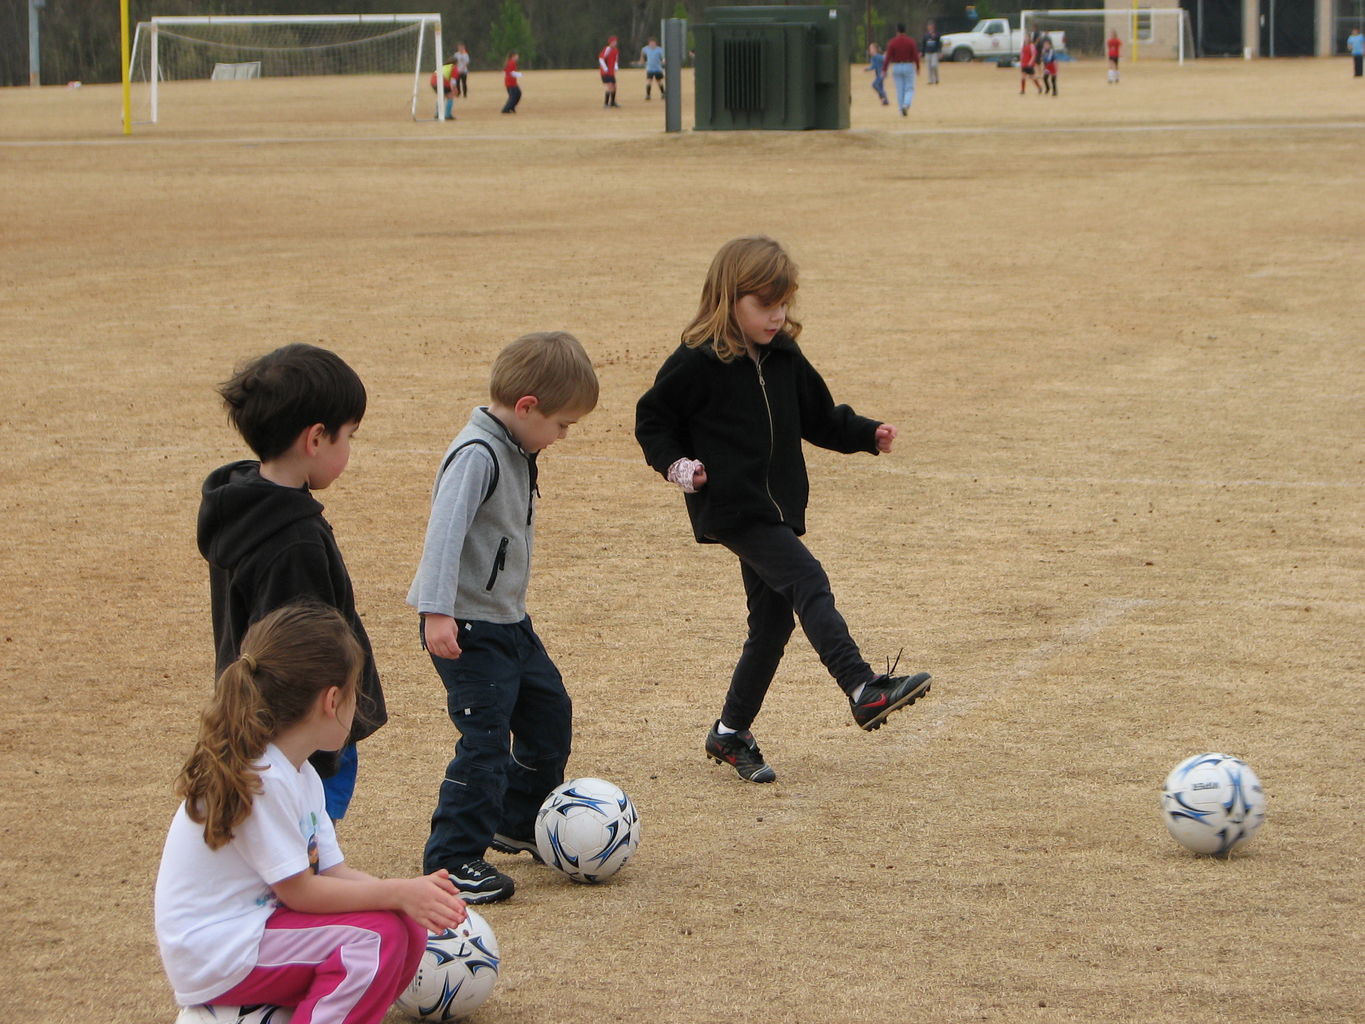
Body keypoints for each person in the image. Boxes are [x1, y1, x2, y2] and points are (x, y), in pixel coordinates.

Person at [634, 236, 933, 785]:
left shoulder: (784, 356)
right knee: (808, 579)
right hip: (731, 505)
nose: (777, 317)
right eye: (764, 306)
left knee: (771, 624)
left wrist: (867, 434)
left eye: (783, 305)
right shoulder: (696, 363)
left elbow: (818, 417)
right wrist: (679, 467)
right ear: (729, 299)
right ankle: (863, 687)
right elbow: (653, 421)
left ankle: (730, 732)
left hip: (776, 508)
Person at [154, 604, 468, 1024]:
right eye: (357, 693)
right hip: (216, 951)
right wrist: (395, 892)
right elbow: (300, 892)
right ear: (332, 700)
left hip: (255, 933)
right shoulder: (262, 777)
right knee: (372, 941)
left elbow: (331, 874)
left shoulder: (300, 774)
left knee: (404, 928)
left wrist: (409, 895)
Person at [410, 332, 600, 903]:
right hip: (466, 626)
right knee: (486, 739)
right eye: (562, 424)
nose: (563, 436)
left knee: (548, 713)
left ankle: (517, 819)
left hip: (507, 620)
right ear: (526, 408)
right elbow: (444, 534)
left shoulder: (517, 447)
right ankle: (452, 859)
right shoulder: (479, 454)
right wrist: (436, 611)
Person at [199, 343, 386, 823]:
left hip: (264, 733)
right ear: (316, 438)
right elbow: (302, 657)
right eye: (349, 435)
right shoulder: (292, 541)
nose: (349, 448)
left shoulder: (246, 507)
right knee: (304, 847)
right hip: (300, 739)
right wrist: (321, 748)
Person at [884, 23, 921, 116]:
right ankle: (906, 104)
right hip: (908, 65)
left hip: (896, 66)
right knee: (909, 88)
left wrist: (884, 69)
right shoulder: (910, 41)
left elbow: (888, 57)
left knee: (899, 89)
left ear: (897, 31)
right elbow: (915, 55)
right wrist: (918, 67)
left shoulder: (892, 42)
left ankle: (901, 110)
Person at [599, 35, 620, 107]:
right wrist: (605, 68)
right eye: (613, 42)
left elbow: (616, 59)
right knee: (610, 86)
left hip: (611, 72)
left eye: (615, 42)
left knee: (614, 87)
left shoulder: (615, 50)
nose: (615, 43)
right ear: (610, 43)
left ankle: (612, 102)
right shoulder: (607, 49)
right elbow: (601, 59)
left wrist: (616, 66)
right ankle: (605, 103)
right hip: (605, 72)